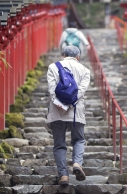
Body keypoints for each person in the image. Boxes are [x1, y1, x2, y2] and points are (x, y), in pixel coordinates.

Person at [46, 45, 91, 185]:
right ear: (78, 57)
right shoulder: (85, 70)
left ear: (63, 54)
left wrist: (61, 105)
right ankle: (77, 164)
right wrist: (70, 104)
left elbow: (52, 91)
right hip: (76, 112)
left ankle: (63, 176)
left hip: (57, 111)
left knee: (59, 145)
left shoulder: (53, 67)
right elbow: (80, 92)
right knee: (79, 140)